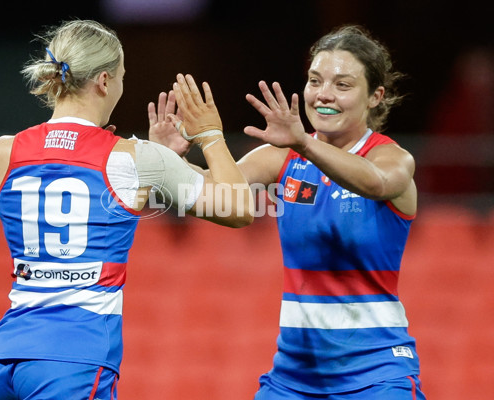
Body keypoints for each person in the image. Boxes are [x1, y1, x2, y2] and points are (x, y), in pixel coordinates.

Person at [0, 19, 253, 400]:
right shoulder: (136, 159)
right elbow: (238, 208)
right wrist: (210, 135)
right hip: (73, 361)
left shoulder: (0, 152)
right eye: (121, 76)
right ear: (104, 81)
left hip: (5, 359)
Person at [151, 25, 426, 399]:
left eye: (342, 85)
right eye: (315, 81)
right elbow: (213, 192)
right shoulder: (281, 157)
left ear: (375, 96)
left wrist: (304, 145)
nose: (324, 94)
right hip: (293, 378)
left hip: (377, 374)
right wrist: (169, 158)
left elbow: (376, 183)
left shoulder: (391, 158)